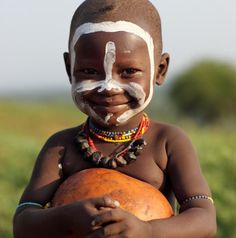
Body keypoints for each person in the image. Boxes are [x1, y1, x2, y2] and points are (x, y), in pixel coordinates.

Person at [13, 0, 217, 237]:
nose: (108, 87)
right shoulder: (61, 147)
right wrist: (67, 217)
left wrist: (147, 231)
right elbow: (23, 223)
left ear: (160, 70)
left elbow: (204, 218)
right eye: (89, 72)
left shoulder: (168, 141)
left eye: (128, 71)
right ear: (70, 69)